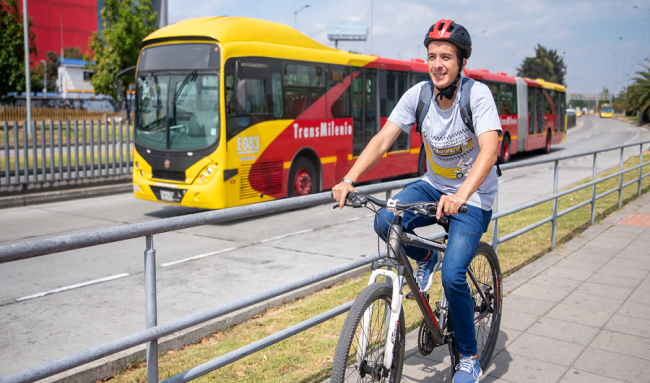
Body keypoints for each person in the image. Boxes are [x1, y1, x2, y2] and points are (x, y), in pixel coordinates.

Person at [332, 19, 501, 383]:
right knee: (383, 220)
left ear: (461, 63)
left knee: (455, 276)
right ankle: (425, 258)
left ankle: (469, 357)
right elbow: (381, 140)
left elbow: (490, 150)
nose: (437, 64)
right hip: (432, 186)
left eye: (446, 57)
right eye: (432, 56)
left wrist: (461, 195)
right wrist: (348, 179)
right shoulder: (419, 96)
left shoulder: (477, 96)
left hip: (473, 198)